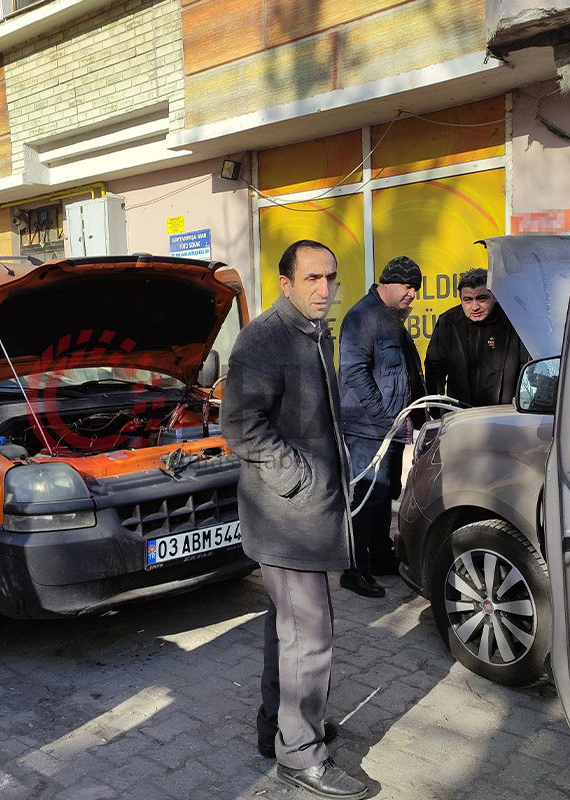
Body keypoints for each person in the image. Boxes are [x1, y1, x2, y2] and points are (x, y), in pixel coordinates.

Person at [223, 240, 370, 800]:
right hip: (287, 517)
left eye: (330, 278)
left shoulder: (314, 332)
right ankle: (300, 754)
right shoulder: (265, 337)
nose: (324, 289)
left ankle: (278, 730)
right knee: (311, 637)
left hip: (307, 514)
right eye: (311, 279)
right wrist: (302, 480)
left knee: (286, 630)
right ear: (285, 283)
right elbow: (241, 426)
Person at [337, 255, 427, 598]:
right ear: (385, 284)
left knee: (383, 494)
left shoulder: (390, 317)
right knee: (365, 497)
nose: (412, 294)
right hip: (368, 428)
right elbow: (354, 372)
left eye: (415, 288)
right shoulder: (362, 317)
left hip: (389, 426)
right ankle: (354, 569)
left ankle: (379, 556)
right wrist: (382, 416)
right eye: (407, 287)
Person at [424, 268, 529, 408]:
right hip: (459, 415)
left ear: (496, 297)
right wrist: (438, 410)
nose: (474, 307)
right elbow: (434, 370)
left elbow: (527, 368)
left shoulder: (514, 321)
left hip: (505, 414)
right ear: (460, 299)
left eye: (481, 298)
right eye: (467, 300)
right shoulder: (448, 322)